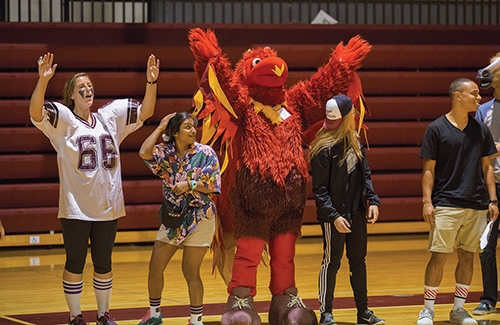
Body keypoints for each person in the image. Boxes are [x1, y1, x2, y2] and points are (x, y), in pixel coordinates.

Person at [29, 52, 160, 325]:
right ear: (72, 96)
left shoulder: (109, 116)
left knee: (104, 264)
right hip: (76, 207)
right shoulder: (64, 120)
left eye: (89, 86)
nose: (87, 90)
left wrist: (151, 82)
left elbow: (146, 112)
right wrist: (42, 82)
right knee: (74, 263)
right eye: (81, 88)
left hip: (107, 206)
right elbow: (36, 113)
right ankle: (76, 317)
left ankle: (103, 315)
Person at [417, 78, 499, 325]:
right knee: (439, 256)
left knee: (467, 257)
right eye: (473, 94)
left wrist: (492, 199)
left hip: (476, 203)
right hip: (446, 203)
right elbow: (428, 169)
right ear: (457, 96)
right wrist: (427, 202)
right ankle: (428, 310)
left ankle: (458, 310)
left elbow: (487, 167)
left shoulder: (480, 129)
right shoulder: (436, 128)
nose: (478, 98)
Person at [137, 112, 221, 325]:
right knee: (155, 266)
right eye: (187, 127)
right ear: (175, 132)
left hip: (201, 217)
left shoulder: (206, 153)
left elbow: (214, 186)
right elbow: (144, 152)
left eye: (194, 126)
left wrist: (190, 185)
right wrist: (159, 128)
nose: (193, 130)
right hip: (173, 218)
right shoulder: (165, 153)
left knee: (190, 271)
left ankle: (196, 320)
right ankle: (155, 315)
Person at [310, 94, 385, 325]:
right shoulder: (323, 148)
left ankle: (363, 311)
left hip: (357, 213)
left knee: (358, 261)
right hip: (334, 217)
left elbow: (366, 175)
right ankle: (326, 313)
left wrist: (372, 200)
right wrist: (334, 217)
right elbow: (320, 190)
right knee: (331, 262)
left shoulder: (354, 139)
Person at [473, 52, 500, 316]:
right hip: (494, 185)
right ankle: (489, 298)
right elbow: (480, 151)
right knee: (486, 245)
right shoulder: (484, 110)